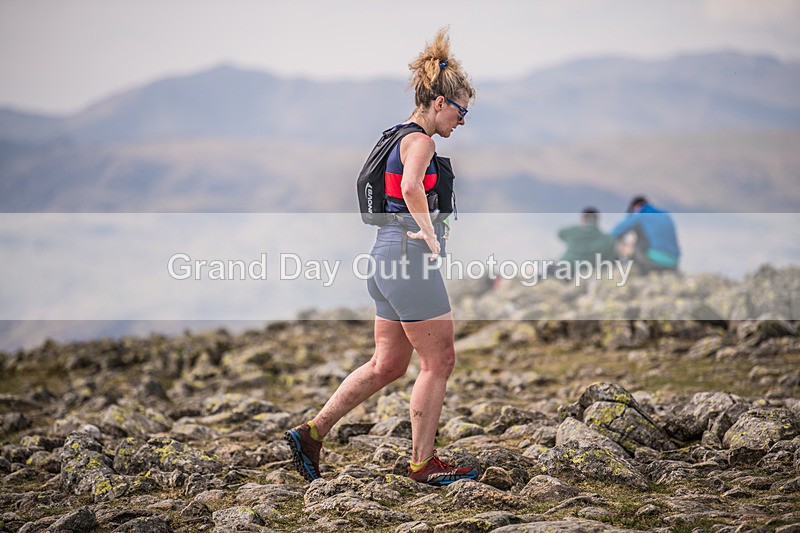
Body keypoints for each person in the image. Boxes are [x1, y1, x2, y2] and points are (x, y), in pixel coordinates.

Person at [285, 29, 478, 486]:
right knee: (439, 361)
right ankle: (423, 464)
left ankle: (312, 432)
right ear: (437, 103)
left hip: (384, 258)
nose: (463, 121)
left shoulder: (397, 135)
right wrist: (430, 235)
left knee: (387, 365)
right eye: (461, 111)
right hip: (408, 261)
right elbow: (411, 187)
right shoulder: (422, 142)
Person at [610, 196, 680, 273]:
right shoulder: (666, 215)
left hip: (654, 262)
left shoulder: (640, 216)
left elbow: (614, 233)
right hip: (674, 262)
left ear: (635, 207)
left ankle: (622, 272)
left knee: (624, 245)